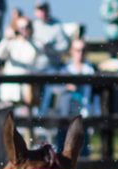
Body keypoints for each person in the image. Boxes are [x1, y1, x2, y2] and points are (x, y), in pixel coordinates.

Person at [42, 27, 98, 155]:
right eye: (78, 50)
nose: (80, 54)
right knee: (63, 148)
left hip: (84, 113)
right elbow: (53, 87)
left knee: (83, 148)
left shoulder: (91, 70)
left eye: (83, 50)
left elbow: (96, 94)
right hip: (66, 115)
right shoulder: (64, 70)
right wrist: (66, 86)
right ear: (72, 51)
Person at [0, 12, 40, 109]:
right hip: (10, 89)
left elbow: (34, 57)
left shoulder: (34, 44)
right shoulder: (10, 43)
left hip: (26, 90)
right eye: (20, 28)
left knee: (26, 120)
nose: (23, 30)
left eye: (26, 27)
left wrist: (27, 39)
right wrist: (6, 39)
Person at [31, 0, 69, 69]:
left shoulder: (57, 25)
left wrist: (51, 48)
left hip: (53, 67)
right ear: (35, 12)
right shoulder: (32, 26)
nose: (43, 12)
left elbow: (64, 46)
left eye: (44, 9)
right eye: (40, 9)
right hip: (35, 68)